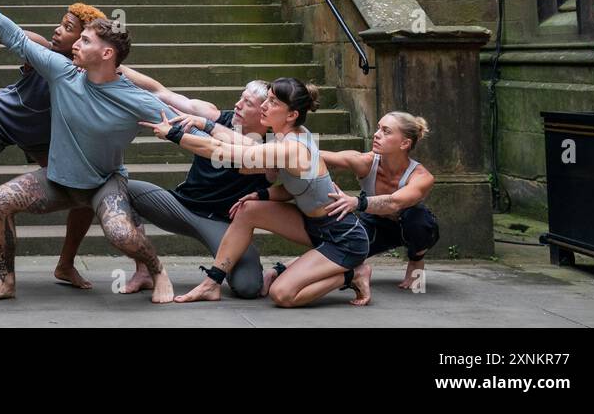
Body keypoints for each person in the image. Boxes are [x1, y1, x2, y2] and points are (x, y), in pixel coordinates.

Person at [0, 4, 218, 296]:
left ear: (96, 46)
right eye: (63, 26)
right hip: (2, 118)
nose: (60, 32)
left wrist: (203, 116)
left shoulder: (99, 71)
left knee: (86, 184)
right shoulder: (45, 52)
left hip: (46, 134)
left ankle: (72, 264)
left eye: (70, 29)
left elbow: (149, 90)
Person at [0, 0, 180, 304]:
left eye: (84, 39)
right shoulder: (62, 72)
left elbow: (183, 122)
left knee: (121, 233)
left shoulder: (133, 99)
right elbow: (16, 38)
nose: (75, 43)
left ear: (106, 53)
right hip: (59, 181)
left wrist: (229, 138)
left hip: (103, 184)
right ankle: (5, 281)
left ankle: (157, 270)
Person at [155, 76, 370, 308]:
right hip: (312, 224)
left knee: (282, 295)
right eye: (267, 99)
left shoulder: (291, 148)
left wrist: (173, 134)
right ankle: (212, 282)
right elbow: (260, 157)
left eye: (274, 102)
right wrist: (262, 195)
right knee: (248, 209)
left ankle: (352, 275)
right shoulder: (288, 134)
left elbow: (222, 151)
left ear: (291, 115)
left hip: (343, 238)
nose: (265, 106)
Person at [122, 81, 273, 299]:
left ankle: (274, 272)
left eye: (247, 102)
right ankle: (144, 271)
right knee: (116, 188)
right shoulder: (215, 115)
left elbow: (247, 151)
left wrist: (202, 127)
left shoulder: (275, 146)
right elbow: (160, 91)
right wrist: (116, 67)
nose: (238, 104)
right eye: (241, 97)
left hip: (224, 226)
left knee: (248, 287)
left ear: (264, 111)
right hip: (180, 207)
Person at [319, 111, 439, 304]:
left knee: (419, 220)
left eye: (386, 131)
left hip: (407, 224)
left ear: (404, 144)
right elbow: (319, 155)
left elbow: (394, 203)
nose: (376, 134)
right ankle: (358, 271)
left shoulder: (422, 176)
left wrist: (357, 202)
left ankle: (416, 259)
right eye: (378, 128)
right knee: (340, 252)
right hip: (374, 224)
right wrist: (274, 151)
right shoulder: (365, 162)